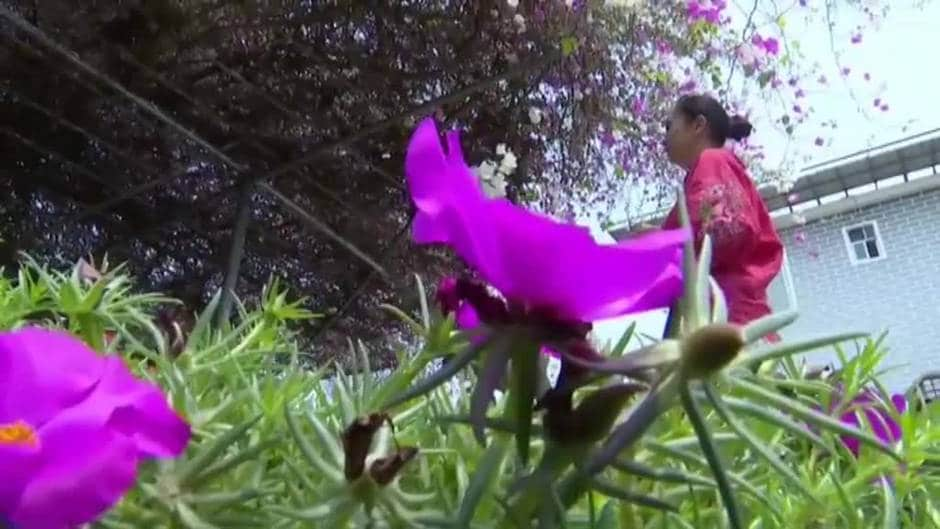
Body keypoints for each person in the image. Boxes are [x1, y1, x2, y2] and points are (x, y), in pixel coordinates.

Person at [659, 93, 784, 340]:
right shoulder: (706, 173)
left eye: (669, 125)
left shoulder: (712, 159)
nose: (665, 136)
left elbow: (725, 230)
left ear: (698, 125)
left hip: (729, 328)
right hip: (722, 326)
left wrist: (658, 243)